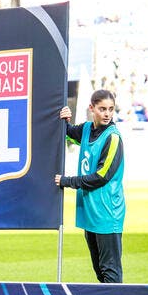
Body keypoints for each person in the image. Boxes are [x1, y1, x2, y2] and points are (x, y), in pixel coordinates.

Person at [55, 89, 126, 283]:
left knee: (110, 272)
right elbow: (66, 132)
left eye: (110, 109)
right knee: (99, 271)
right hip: (90, 211)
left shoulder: (113, 138)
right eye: (102, 109)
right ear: (91, 108)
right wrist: (64, 118)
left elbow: (102, 176)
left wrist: (67, 181)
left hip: (107, 212)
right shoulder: (86, 130)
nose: (107, 114)